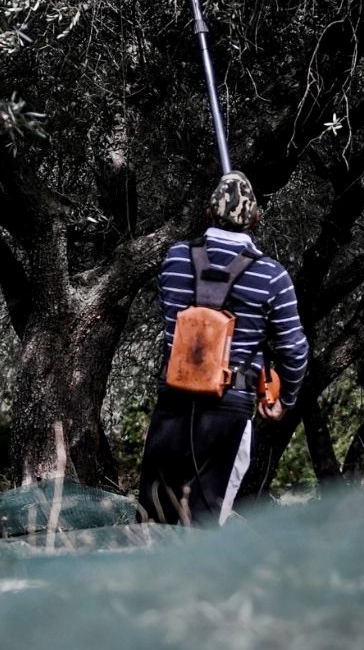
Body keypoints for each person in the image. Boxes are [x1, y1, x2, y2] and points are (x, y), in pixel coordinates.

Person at [138, 171, 310, 525]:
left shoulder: (174, 259)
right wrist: (285, 398)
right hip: (228, 411)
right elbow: (294, 349)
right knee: (203, 525)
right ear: (256, 219)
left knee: (153, 521)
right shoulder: (271, 276)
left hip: (173, 403)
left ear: (206, 214)